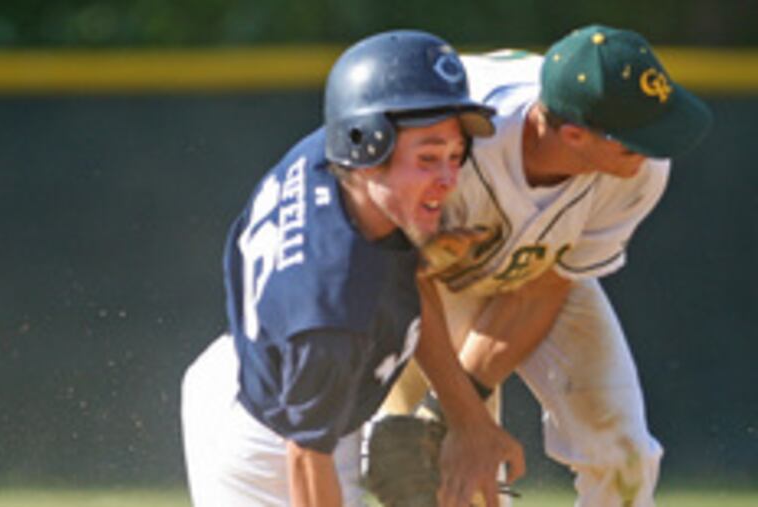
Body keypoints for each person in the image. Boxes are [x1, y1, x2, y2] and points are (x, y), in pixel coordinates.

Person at [180, 30, 525, 507]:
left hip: (278, 376)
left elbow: (397, 282)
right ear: (365, 146)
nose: (448, 179)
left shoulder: (337, 161)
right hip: (270, 443)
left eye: (455, 155)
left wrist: (466, 415)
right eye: (427, 159)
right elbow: (305, 455)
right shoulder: (333, 306)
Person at [382, 24, 713, 507]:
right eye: (632, 142)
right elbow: (395, 270)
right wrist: (457, 413)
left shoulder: (636, 174)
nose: (651, 150)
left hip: (539, 269)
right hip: (422, 277)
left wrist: (460, 406)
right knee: (437, 468)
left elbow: (544, 286)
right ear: (574, 134)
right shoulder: (450, 137)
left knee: (625, 457)